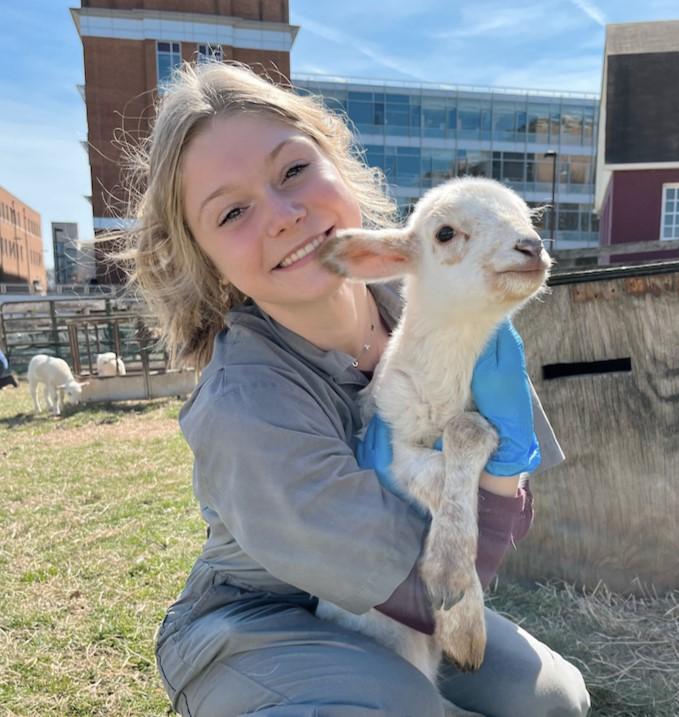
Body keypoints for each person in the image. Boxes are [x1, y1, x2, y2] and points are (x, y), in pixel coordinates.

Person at [124, 61, 590, 717]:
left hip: (402, 592)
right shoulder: (243, 402)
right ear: (203, 257)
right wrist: (488, 475)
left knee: (553, 700)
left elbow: (493, 520)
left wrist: (503, 464)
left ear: (335, 163)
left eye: (292, 170)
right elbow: (431, 587)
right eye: (232, 211)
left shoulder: (429, 300)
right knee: (408, 709)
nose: (285, 214)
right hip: (255, 618)